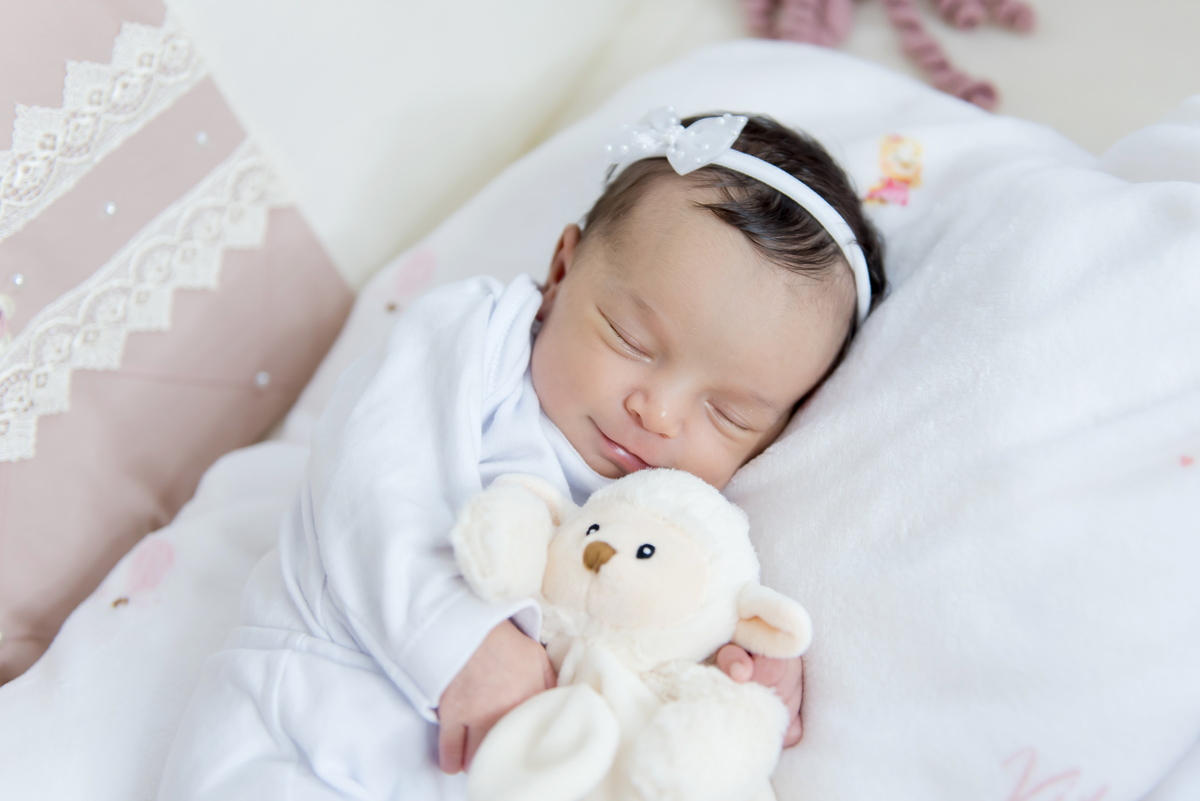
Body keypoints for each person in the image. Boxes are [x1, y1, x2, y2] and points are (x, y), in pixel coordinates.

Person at [158, 108, 886, 800]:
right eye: (631, 340)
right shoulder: (479, 342)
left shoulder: (687, 511)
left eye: (728, 413)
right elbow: (373, 477)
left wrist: (748, 679)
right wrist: (459, 638)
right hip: (314, 714)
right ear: (561, 272)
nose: (658, 413)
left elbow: (672, 616)